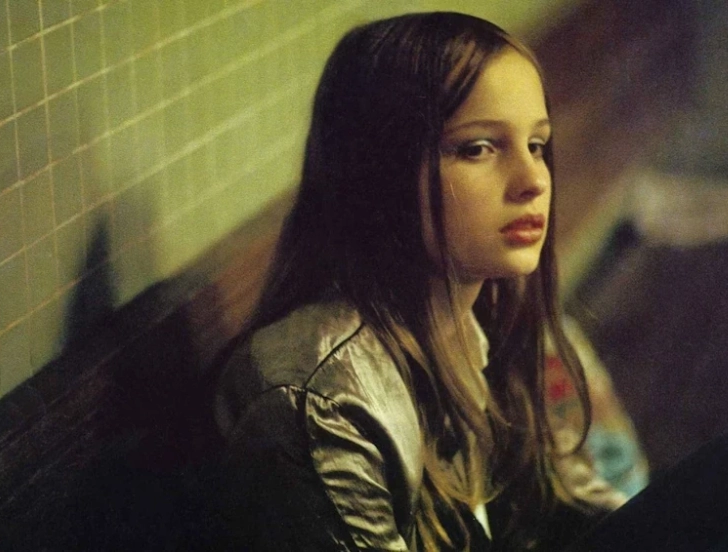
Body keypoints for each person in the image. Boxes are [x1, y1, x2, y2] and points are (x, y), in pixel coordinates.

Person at [205, 12, 626, 551]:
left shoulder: (497, 318)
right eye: (477, 147)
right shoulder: (319, 400)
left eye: (537, 145)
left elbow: (574, 505)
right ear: (381, 168)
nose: (532, 181)